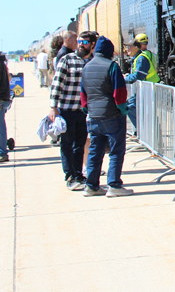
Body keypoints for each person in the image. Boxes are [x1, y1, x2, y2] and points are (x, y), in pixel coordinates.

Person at [80, 36, 132, 197]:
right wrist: (123, 110)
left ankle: (91, 185)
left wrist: (86, 110)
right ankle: (114, 185)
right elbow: (119, 93)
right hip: (112, 115)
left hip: (93, 116)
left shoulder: (86, 67)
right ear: (109, 51)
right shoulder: (112, 66)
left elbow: (83, 93)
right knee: (116, 151)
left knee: (95, 151)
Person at [49, 30, 96, 190]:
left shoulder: (92, 62)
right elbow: (57, 84)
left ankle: (78, 174)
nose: (81, 45)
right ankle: (70, 176)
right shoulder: (67, 60)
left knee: (80, 144)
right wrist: (53, 107)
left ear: (92, 45)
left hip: (83, 112)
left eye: (85, 42)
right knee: (67, 144)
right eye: (79, 42)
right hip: (67, 110)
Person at [123, 33, 158, 131]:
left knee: (130, 106)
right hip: (147, 87)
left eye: (129, 47)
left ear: (135, 47)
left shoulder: (141, 58)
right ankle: (147, 132)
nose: (127, 50)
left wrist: (123, 79)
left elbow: (139, 76)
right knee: (146, 111)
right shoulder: (146, 55)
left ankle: (143, 131)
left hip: (147, 88)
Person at [1, 52, 11, 163]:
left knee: (0, 128)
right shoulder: (2, 63)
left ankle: (2, 152)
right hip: (4, 98)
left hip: (1, 99)